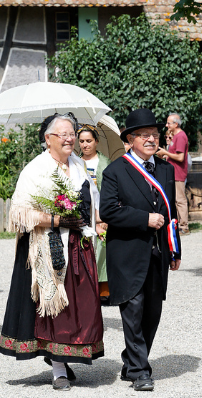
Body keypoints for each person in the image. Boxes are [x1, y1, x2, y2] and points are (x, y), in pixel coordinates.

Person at [0, 113, 103, 391]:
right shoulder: (36, 169)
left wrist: (96, 222)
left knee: (79, 307)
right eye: (64, 134)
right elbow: (19, 213)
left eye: (72, 134)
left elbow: (92, 200)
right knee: (55, 308)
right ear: (48, 139)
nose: (70, 139)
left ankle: (65, 356)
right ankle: (58, 370)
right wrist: (57, 220)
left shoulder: (79, 165)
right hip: (47, 245)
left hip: (78, 244)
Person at [100, 108, 182, 392]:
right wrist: (144, 219)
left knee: (152, 313)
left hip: (158, 253)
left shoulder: (166, 169)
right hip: (127, 253)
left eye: (155, 134)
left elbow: (171, 215)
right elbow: (108, 210)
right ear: (130, 139)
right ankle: (139, 371)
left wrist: (175, 250)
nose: (151, 139)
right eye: (144, 135)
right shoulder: (115, 170)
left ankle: (131, 360)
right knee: (133, 311)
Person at [77, 124, 111, 303]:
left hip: (101, 212)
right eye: (82, 141)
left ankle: (103, 290)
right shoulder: (74, 162)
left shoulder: (105, 163)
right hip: (83, 212)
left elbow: (110, 191)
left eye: (89, 141)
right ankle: (85, 290)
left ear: (96, 141)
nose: (85, 145)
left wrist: (104, 216)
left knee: (102, 249)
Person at [156, 113, 189, 235]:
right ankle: (179, 224)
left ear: (176, 124)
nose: (166, 125)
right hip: (173, 173)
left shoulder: (180, 136)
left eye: (168, 123)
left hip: (178, 173)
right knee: (175, 200)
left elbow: (180, 157)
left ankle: (184, 226)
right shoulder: (175, 136)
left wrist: (166, 153)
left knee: (180, 200)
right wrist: (165, 155)